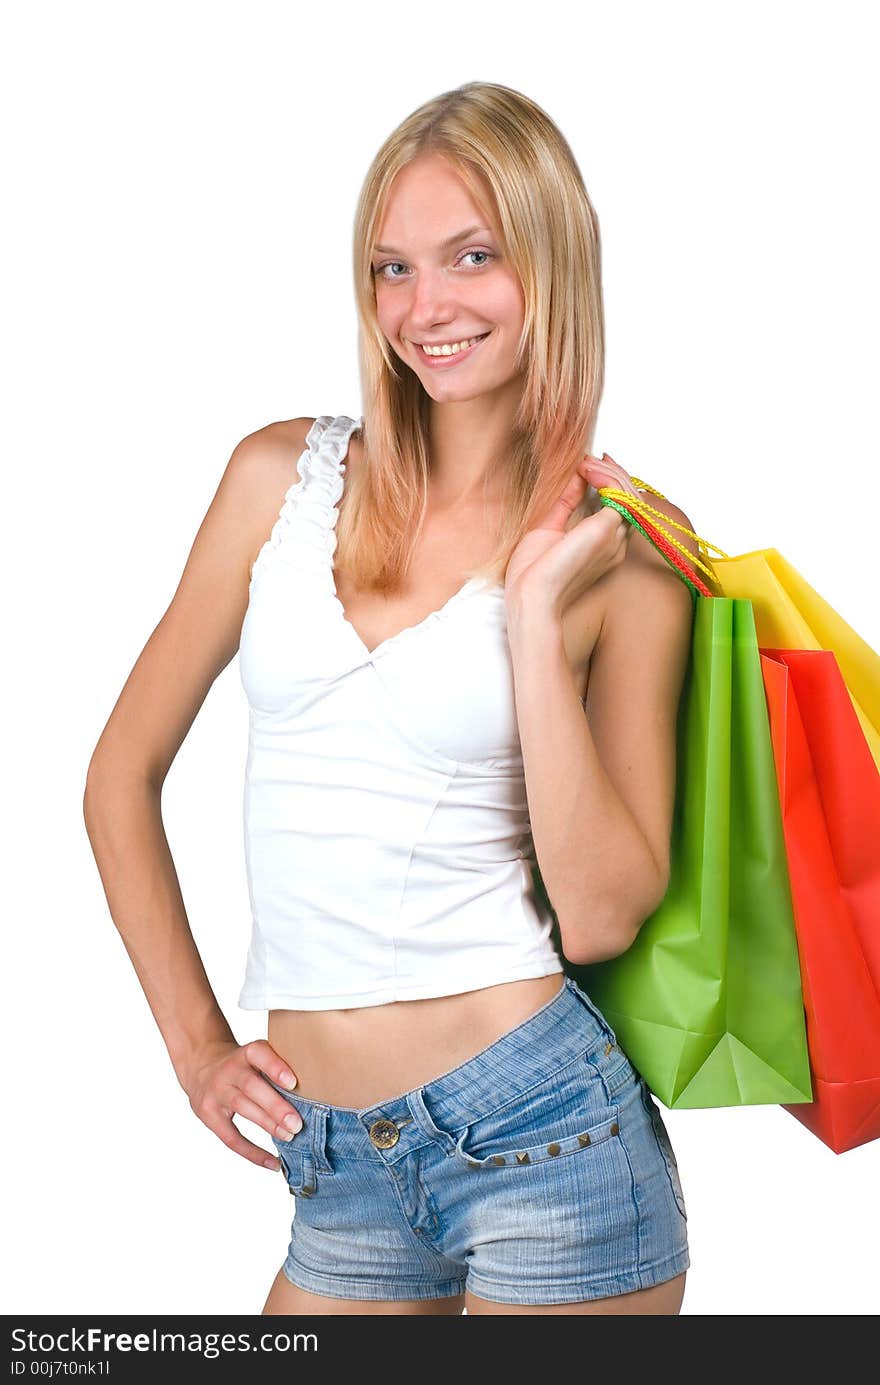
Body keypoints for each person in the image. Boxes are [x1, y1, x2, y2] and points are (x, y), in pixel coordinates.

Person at [84, 80, 699, 1316]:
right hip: (330, 1161)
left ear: (551, 266)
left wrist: (530, 621)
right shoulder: (279, 475)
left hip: (544, 1135)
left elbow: (601, 919)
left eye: (473, 256)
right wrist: (196, 1045)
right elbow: (118, 777)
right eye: (392, 267)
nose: (427, 308)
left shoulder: (625, 553)